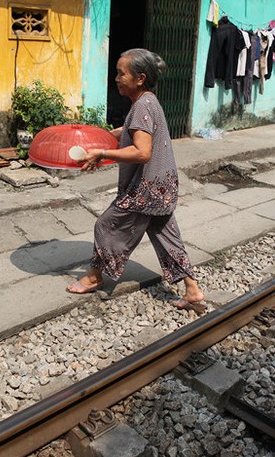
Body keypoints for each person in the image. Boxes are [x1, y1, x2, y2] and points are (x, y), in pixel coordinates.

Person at [66, 48, 206, 312]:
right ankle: (192, 289)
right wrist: (108, 136)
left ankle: (95, 277)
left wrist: (104, 153)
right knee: (166, 236)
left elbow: (142, 152)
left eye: (121, 74)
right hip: (163, 186)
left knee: (106, 226)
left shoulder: (141, 105)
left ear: (140, 78)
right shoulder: (148, 101)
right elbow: (135, 130)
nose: (117, 78)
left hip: (146, 189)